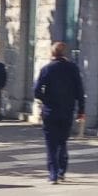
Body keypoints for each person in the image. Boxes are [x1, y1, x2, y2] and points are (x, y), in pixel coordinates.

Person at [33, 42, 85, 184]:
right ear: (64, 53)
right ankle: (62, 171)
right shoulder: (73, 68)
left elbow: (36, 91)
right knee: (63, 142)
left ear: (52, 53)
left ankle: (53, 174)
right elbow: (80, 91)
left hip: (50, 111)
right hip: (67, 110)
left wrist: (46, 99)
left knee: (51, 144)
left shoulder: (47, 69)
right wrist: (81, 110)